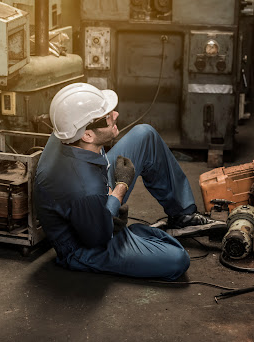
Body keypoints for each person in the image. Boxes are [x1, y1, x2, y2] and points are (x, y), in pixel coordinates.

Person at [34, 83, 217, 281]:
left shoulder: (69, 131)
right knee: (177, 260)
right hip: (87, 244)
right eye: (107, 117)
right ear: (87, 134)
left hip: (93, 190)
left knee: (144, 135)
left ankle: (183, 215)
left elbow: (90, 167)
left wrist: (110, 188)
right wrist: (119, 188)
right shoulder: (84, 188)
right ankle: (136, 234)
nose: (116, 115)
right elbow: (98, 236)